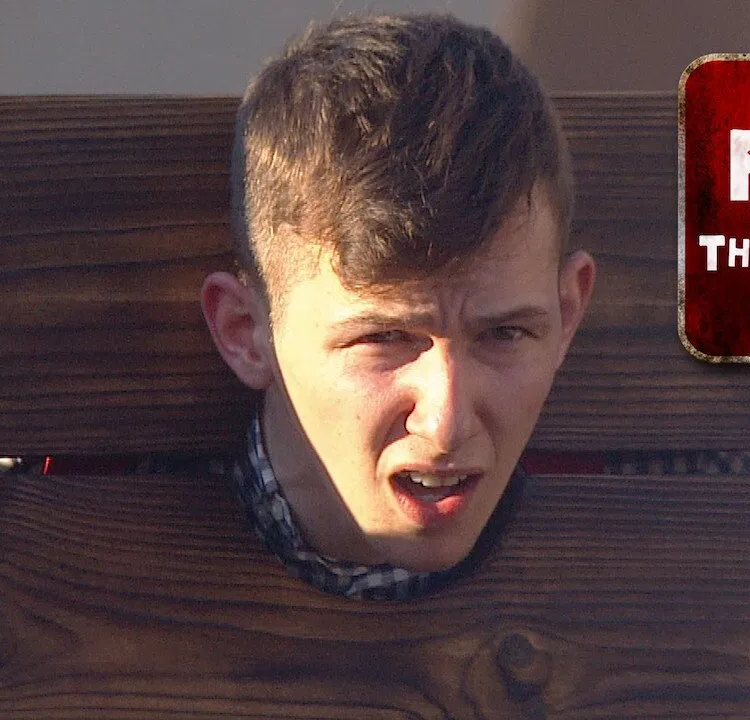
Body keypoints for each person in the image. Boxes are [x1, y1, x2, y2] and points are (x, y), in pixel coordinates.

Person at [200, 13, 595, 600]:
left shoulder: (687, 497)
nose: (446, 424)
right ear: (245, 332)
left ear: (567, 313)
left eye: (505, 333)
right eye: (384, 338)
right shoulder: (78, 510)